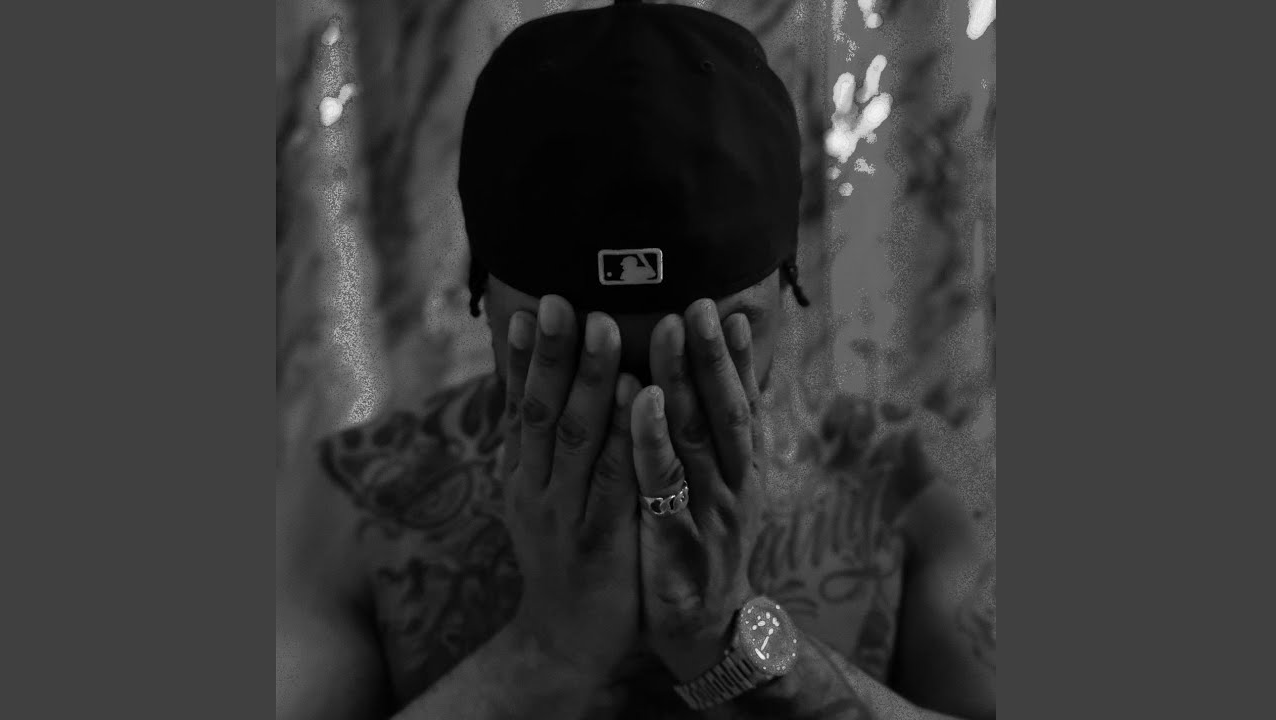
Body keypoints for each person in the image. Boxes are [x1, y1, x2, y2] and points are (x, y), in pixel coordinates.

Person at [276, 2, 996, 719]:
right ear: (481, 296)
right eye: (574, 353)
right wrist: (547, 653)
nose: (642, 407)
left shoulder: (912, 485)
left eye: (703, 348)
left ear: (787, 285)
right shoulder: (355, 507)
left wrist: (732, 644)